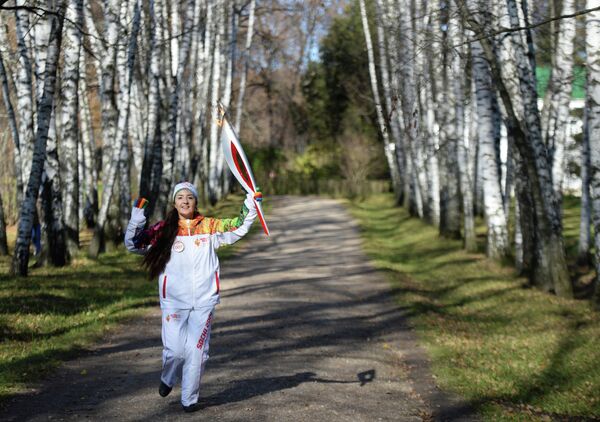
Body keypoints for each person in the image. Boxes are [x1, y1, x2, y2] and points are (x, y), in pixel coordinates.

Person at [124, 181, 259, 412]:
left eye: (190, 197)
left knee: (198, 351)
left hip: (204, 301)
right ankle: (168, 377)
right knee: (174, 351)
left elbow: (237, 226)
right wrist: (138, 215)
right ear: (174, 203)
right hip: (174, 301)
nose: (185, 201)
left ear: (196, 201)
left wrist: (251, 203)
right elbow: (134, 244)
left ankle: (189, 399)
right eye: (180, 198)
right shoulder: (163, 230)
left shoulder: (209, 226)